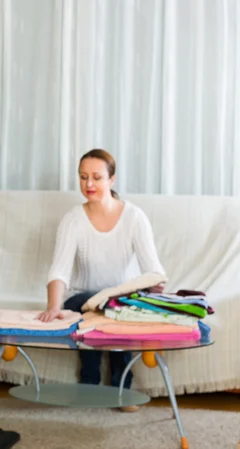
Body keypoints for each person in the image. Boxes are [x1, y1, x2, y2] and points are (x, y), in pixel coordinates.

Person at [37, 149, 166, 412]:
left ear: (112, 180)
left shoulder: (134, 217)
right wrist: (53, 307)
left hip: (121, 302)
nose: (89, 184)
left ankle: (121, 389)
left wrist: (155, 284)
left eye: (97, 177)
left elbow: (153, 268)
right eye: (83, 177)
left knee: (117, 309)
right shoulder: (73, 219)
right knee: (92, 308)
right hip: (82, 299)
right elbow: (59, 270)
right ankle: (89, 385)